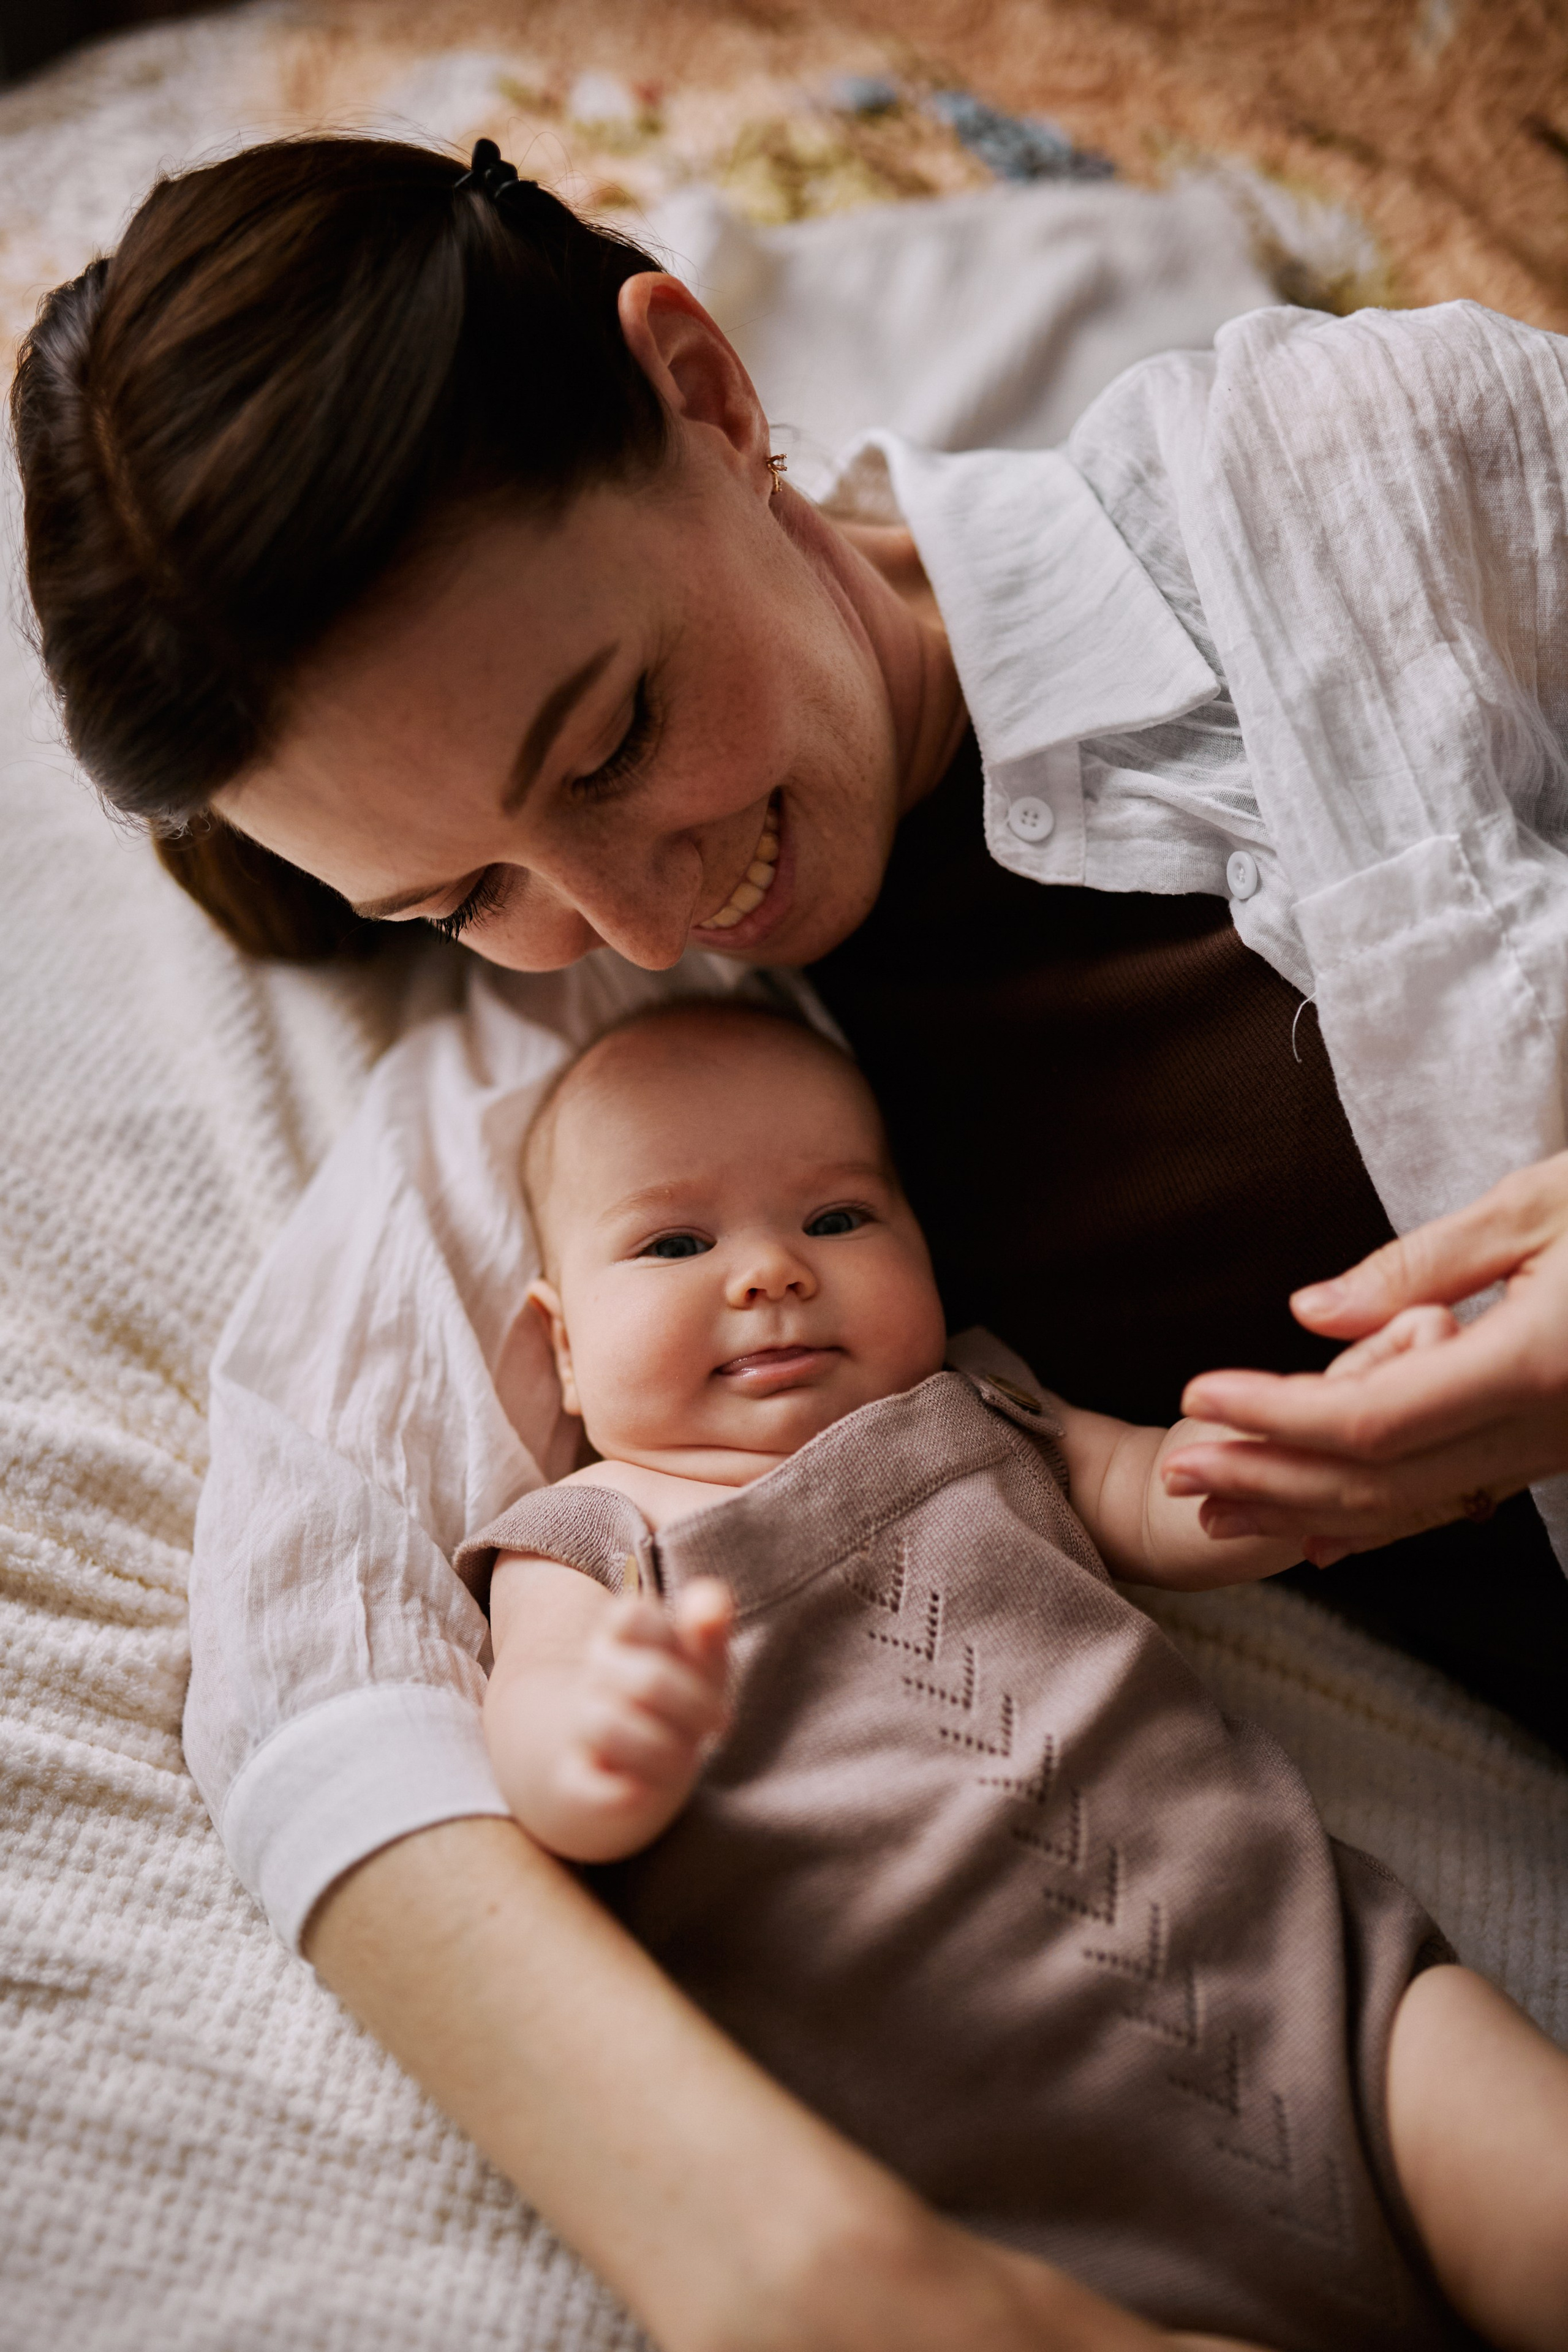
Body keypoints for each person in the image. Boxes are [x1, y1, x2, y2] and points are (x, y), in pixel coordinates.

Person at [13, 131, 1568, 2352]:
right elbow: (313, 1662)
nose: (635, 914)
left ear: (705, 391)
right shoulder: (621, 1089)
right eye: (461, 896)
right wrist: (817, 2270)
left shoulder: (1352, 491)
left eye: (618, 732)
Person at [458, 992, 1568, 2352]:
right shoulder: (585, 1540)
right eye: (676, 1241)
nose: (769, 1273)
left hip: (1328, 1996)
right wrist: (603, 1741)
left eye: (837, 1218)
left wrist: (1315, 1454)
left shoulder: (979, 1407)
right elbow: (533, 1739)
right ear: (562, 1343)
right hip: (1017, 2199)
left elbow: (1161, 1492)